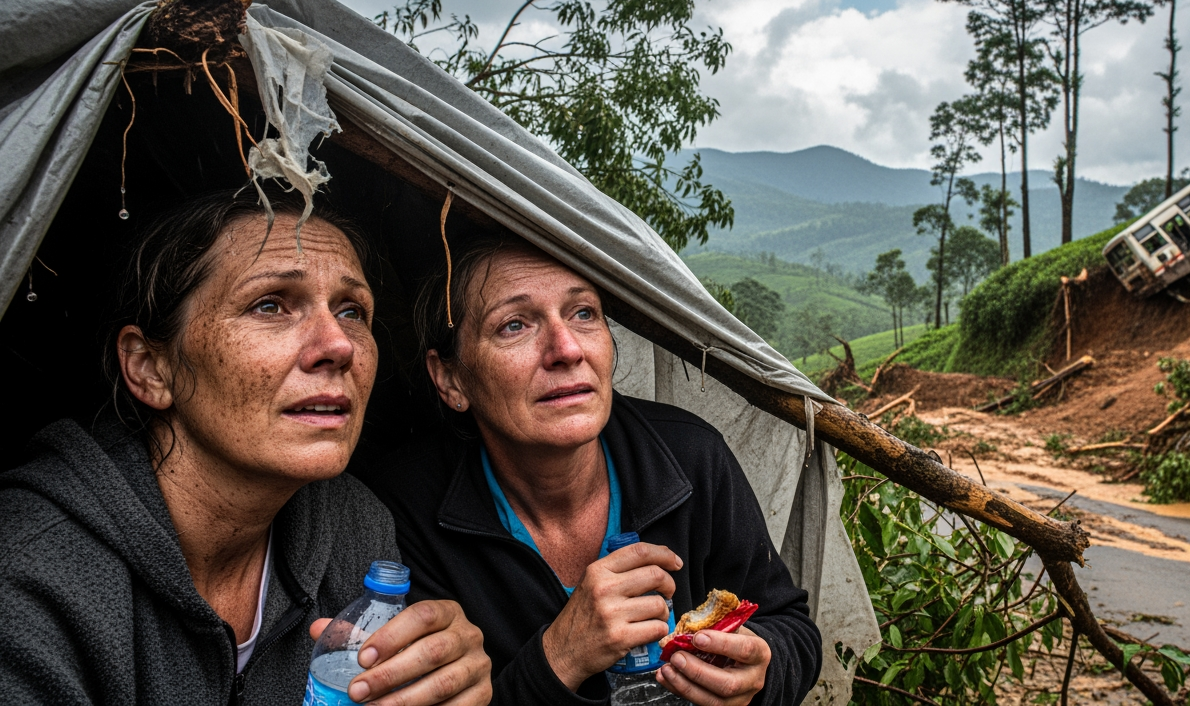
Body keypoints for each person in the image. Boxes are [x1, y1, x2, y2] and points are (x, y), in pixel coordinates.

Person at [0, 192, 492, 706]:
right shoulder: (30, 576)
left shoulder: (354, 526)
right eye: (270, 304)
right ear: (149, 367)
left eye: (351, 311)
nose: (340, 344)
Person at [359, 235, 822, 706]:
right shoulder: (400, 510)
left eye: (583, 313)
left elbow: (790, 625)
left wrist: (761, 671)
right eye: (514, 325)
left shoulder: (691, 458)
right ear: (451, 378)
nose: (567, 349)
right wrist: (561, 656)